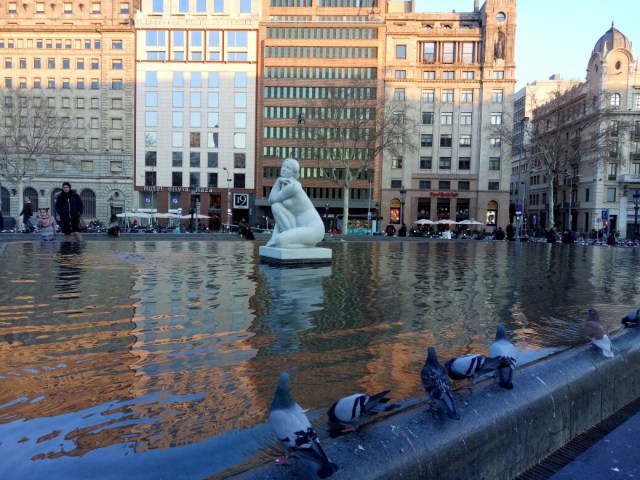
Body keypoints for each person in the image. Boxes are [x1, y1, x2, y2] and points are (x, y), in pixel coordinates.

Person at [266, 158, 325, 248]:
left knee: (280, 241)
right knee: (276, 206)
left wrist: (278, 181)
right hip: (298, 226)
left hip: (314, 228)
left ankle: (306, 246)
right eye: (283, 166)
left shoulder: (293, 186)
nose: (284, 169)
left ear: (294, 172)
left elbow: (271, 199)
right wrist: (273, 237)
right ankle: (298, 243)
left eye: (288, 168)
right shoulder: (285, 185)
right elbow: (279, 217)